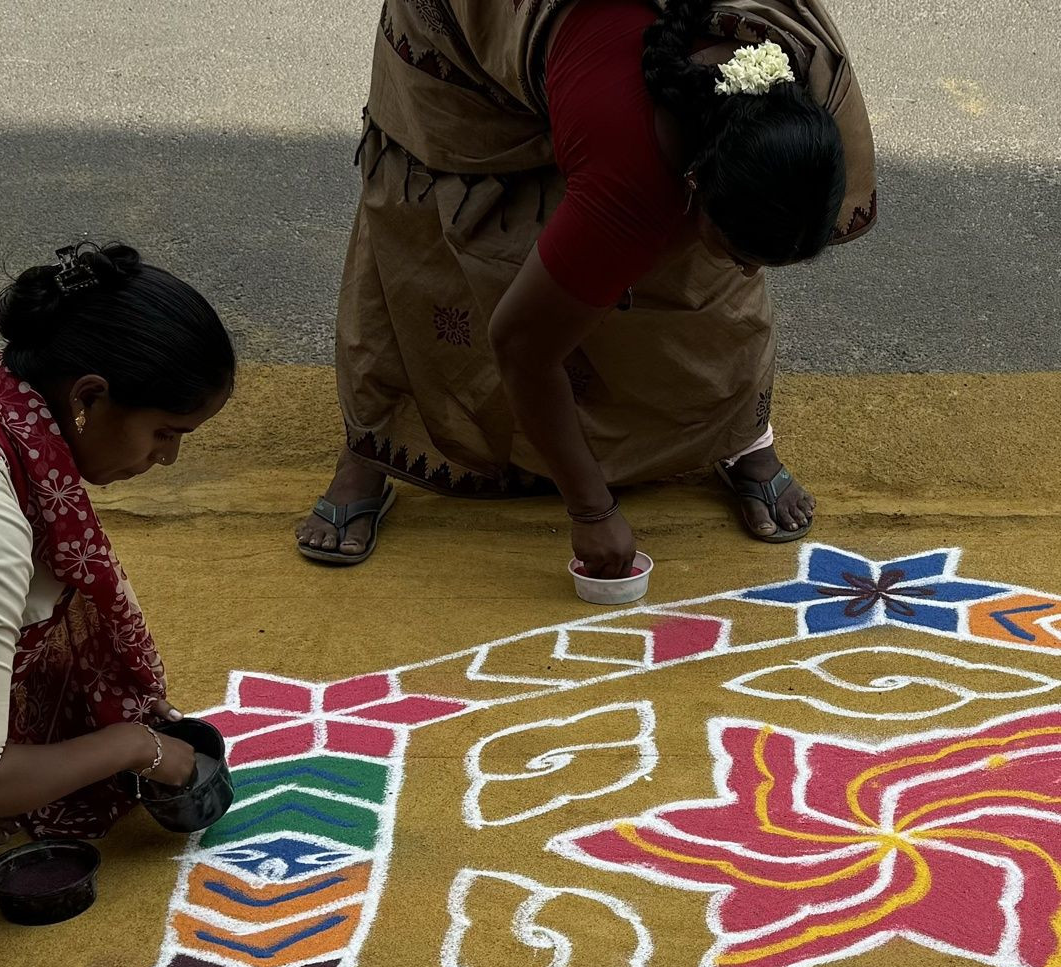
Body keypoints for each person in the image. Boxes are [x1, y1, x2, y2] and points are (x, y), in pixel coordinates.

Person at [297, 0, 875, 575]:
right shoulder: (632, 177)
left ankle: (741, 437)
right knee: (442, 218)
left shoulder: (802, 84)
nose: (753, 274)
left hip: (606, 63)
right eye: (746, 254)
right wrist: (591, 511)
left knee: (702, 273)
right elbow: (522, 346)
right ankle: (374, 446)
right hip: (475, 29)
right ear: (692, 182)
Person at [0, 242, 235, 846]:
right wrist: (133, 745)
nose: (167, 458)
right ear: (89, 398)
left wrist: (114, 695)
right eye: (164, 433)